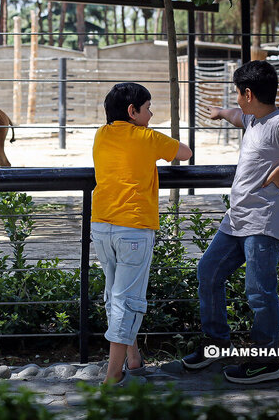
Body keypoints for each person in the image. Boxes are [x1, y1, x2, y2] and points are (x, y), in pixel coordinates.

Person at [181, 60, 279, 384]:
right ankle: (217, 343)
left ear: (248, 93)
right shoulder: (251, 117)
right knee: (208, 271)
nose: (237, 101)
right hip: (237, 220)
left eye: (237, 94)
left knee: (259, 291)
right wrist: (219, 111)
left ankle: (266, 361)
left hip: (263, 221)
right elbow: (235, 115)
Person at [92, 82, 192, 385]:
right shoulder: (148, 138)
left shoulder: (101, 134)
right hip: (134, 228)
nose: (151, 114)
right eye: (147, 108)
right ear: (132, 111)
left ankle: (133, 360)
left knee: (116, 297)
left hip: (101, 225)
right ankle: (114, 377)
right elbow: (185, 153)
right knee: (128, 301)